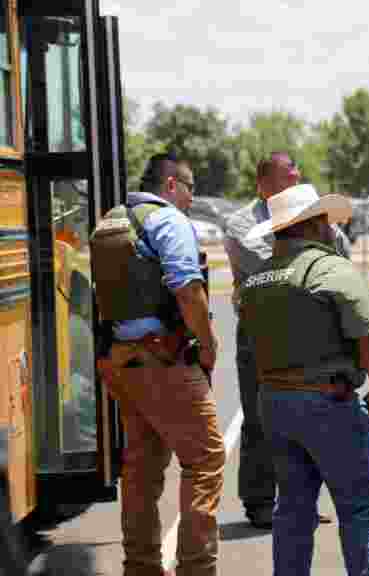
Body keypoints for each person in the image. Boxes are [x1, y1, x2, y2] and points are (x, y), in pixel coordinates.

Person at [238, 183, 369, 575]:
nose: (329, 226)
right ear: (312, 224)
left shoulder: (256, 279)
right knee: (359, 507)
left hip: (274, 403)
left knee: (291, 508)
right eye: (323, 219)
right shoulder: (331, 268)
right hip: (328, 404)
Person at [92, 153, 224, 576]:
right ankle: (196, 569)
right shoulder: (166, 220)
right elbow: (187, 288)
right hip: (164, 360)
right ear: (171, 184)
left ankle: (142, 567)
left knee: (141, 472)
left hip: (121, 362)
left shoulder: (111, 219)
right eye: (189, 188)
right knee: (204, 462)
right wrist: (208, 345)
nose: (191, 198)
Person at [222, 151, 343, 528]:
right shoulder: (241, 223)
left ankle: (301, 499)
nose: (296, 181)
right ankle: (259, 501)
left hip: (309, 332)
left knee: (307, 415)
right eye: (287, 177)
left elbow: (341, 254)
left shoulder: (311, 214)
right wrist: (316, 256)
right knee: (259, 418)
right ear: (263, 184)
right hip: (261, 334)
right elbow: (276, 268)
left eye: (296, 176)